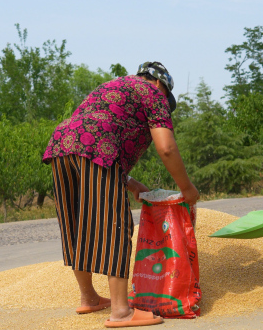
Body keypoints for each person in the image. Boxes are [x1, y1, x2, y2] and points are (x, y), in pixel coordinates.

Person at [43, 61, 199, 328]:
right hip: (96, 147)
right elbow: (167, 148)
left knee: (78, 224)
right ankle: (121, 311)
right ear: (161, 84)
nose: (165, 104)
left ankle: (89, 297)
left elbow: (94, 133)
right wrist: (187, 189)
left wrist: (131, 183)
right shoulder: (153, 93)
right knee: (114, 225)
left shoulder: (113, 86)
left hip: (61, 144)